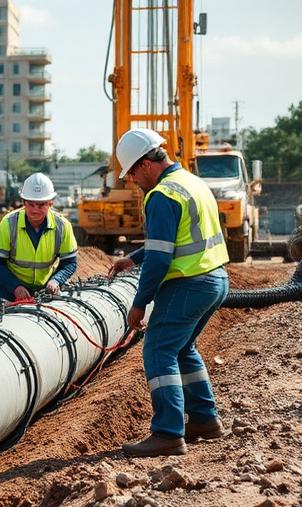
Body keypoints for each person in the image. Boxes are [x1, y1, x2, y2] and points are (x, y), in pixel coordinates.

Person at [109, 128, 230, 457]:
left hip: (189, 283)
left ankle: (167, 433)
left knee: (158, 350)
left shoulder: (162, 195)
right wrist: (134, 258)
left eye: (132, 173)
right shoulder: (191, 182)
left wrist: (139, 303)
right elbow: (175, 239)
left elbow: (161, 258)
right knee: (182, 348)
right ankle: (205, 420)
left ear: (146, 164)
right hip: (215, 278)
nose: (132, 180)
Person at [0, 172, 78, 306]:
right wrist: (15, 286)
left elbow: (69, 262)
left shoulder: (62, 226)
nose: (35, 210)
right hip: (6, 286)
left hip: (43, 288)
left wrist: (56, 280)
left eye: (41, 205)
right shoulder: (9, 223)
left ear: (50, 203)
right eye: (31, 204)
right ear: (24, 202)